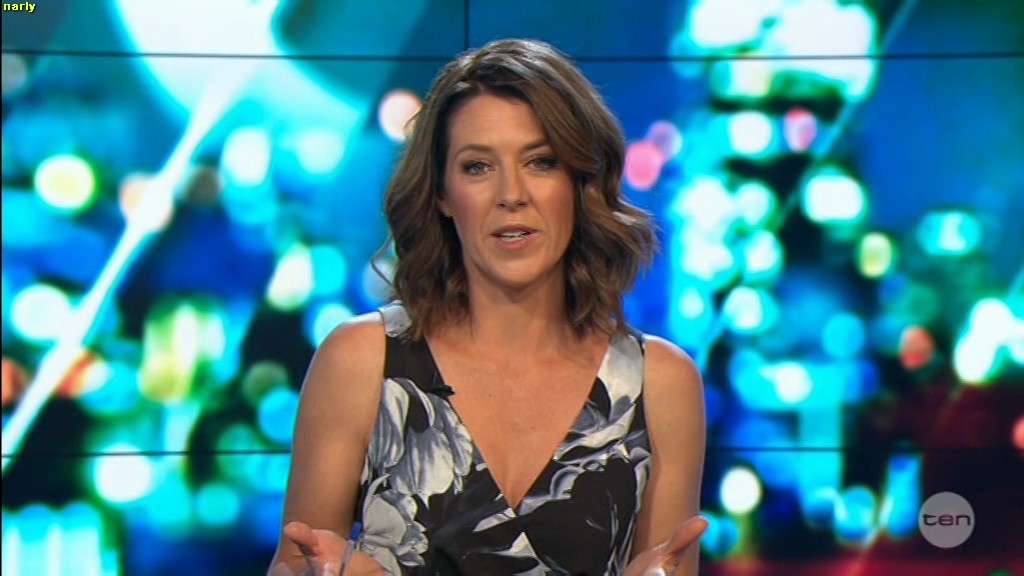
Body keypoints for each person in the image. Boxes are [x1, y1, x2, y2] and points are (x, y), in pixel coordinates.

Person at [268, 38, 706, 575]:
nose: (511, 194)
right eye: (477, 167)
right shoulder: (360, 361)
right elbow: (298, 563)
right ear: (442, 194)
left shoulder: (660, 383)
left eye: (541, 162)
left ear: (579, 181)